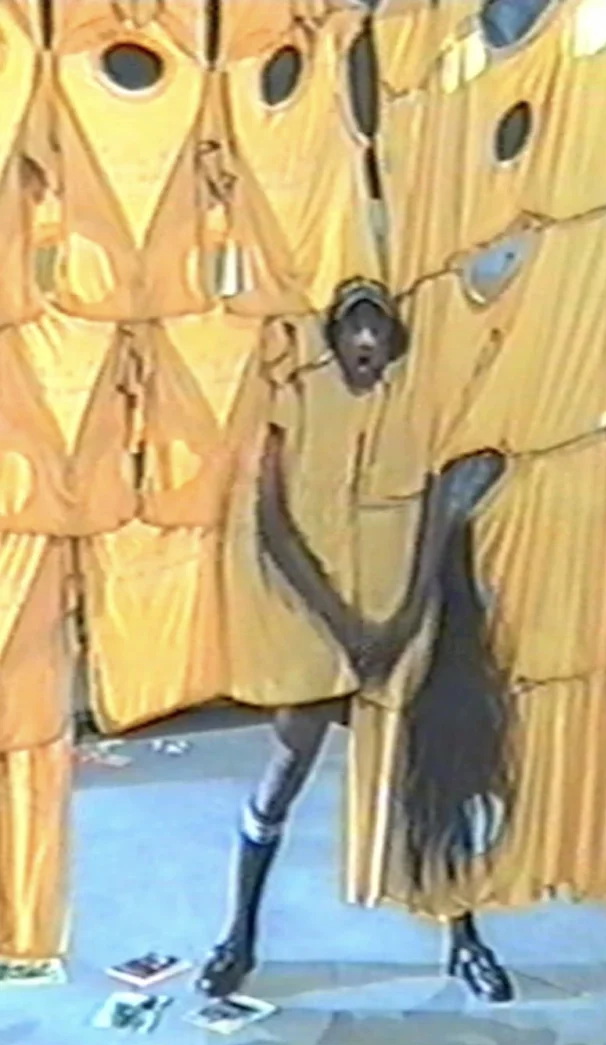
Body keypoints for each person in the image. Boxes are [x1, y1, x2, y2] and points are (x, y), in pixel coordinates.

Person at [198, 278, 515, 1001]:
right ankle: (237, 936)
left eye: (378, 329)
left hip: (401, 623)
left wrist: (402, 622)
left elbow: (439, 515)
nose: (366, 342)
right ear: (334, 336)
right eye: (353, 328)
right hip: (314, 629)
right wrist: (343, 626)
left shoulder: (420, 407)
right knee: (285, 771)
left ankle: (464, 937)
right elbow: (273, 524)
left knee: (427, 778)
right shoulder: (294, 402)